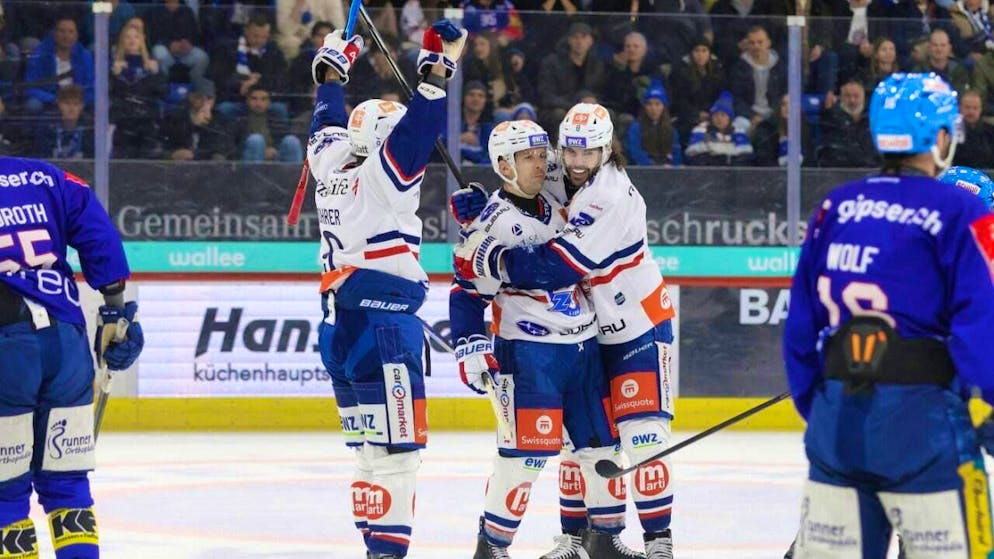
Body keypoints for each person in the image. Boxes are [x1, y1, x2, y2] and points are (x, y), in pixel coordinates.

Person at [783, 72, 994, 558]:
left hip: (838, 427)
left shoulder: (837, 206)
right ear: (940, 136)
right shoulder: (961, 210)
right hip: (924, 427)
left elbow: (799, 332)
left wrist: (824, 412)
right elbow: (978, 333)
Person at [453, 102, 677, 559]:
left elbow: (556, 266)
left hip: (637, 324)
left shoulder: (608, 195)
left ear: (607, 149)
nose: (568, 164)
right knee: (564, 449)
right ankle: (571, 540)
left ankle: (657, 544)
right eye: (562, 153)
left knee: (636, 439)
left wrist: (491, 255)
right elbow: (468, 284)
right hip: (567, 339)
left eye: (587, 154)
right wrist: (480, 208)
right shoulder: (559, 168)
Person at [308, 19, 467, 559]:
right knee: (397, 456)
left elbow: (327, 114)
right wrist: (436, 66)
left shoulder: (327, 161)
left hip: (338, 326)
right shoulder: (383, 177)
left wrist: (335, 63)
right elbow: (419, 130)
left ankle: (374, 548)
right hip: (383, 328)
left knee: (367, 454)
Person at [0, 157, 144, 559]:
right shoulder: (43, 175)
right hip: (66, 340)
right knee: (67, 485)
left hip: (6, 349)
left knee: (5, 492)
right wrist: (116, 310)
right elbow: (98, 234)